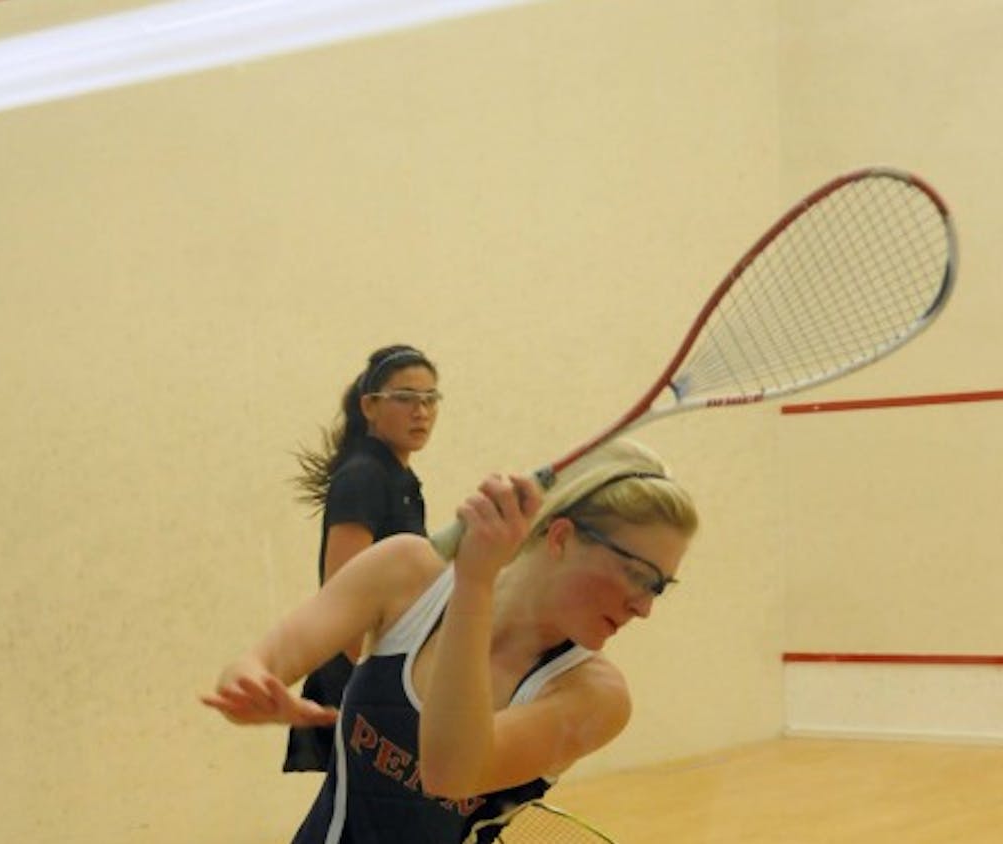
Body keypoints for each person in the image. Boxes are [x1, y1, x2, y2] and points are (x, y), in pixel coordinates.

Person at [202, 438, 700, 843]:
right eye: (637, 575)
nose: (645, 606)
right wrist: (245, 685)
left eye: (659, 587)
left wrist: (475, 582)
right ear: (561, 536)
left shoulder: (594, 697)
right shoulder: (404, 571)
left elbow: (452, 772)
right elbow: (259, 664)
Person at [283, 344, 442, 773]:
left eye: (430, 399)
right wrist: (381, 692)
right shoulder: (364, 477)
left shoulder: (398, 475)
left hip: (384, 677)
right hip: (360, 684)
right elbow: (342, 594)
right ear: (369, 406)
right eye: (405, 398)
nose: (421, 411)